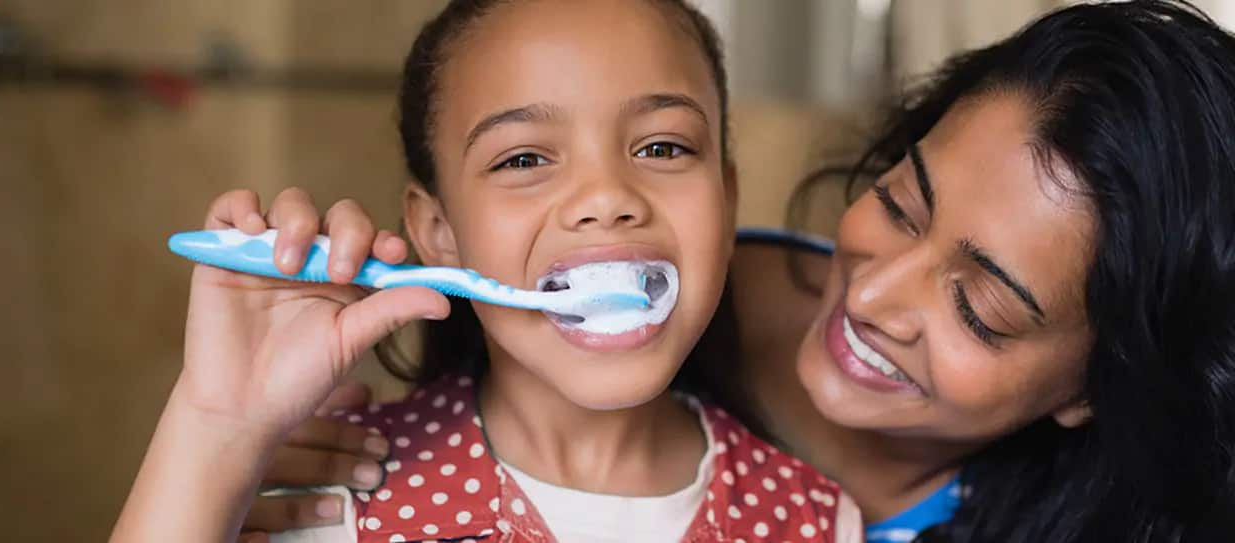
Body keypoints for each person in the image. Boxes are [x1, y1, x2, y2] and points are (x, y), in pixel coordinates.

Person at [246, 1, 1235, 542]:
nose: (874, 296)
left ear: (1094, 391)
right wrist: (230, 446)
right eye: (898, 203)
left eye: (980, 308)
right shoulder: (670, 274)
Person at [109, 1, 863, 542]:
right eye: (525, 158)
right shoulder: (324, 501)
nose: (605, 198)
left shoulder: (814, 519)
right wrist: (216, 427)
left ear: (726, 199)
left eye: (663, 146)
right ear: (438, 232)